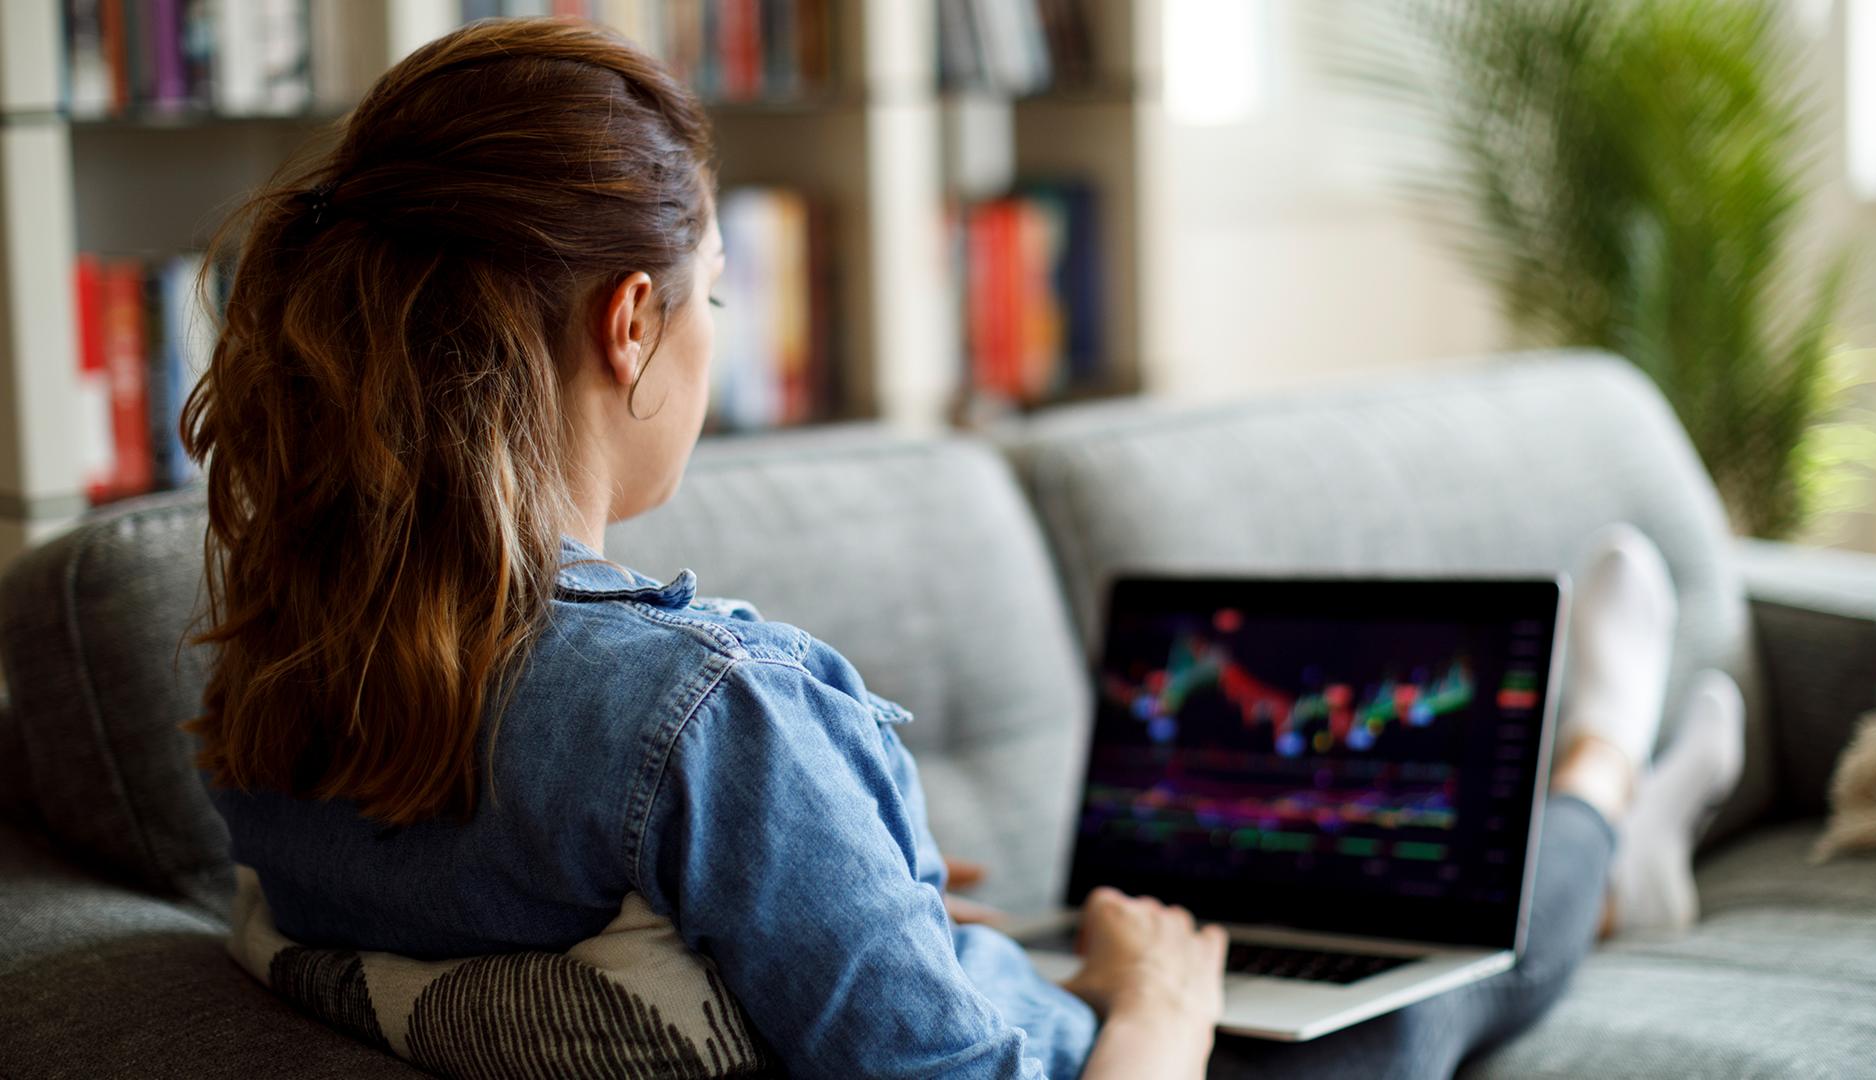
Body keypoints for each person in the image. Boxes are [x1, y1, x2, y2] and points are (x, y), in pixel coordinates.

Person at [186, 17, 1743, 1080]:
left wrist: (860, 904)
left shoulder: (285, 672)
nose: (714, 334)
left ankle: (1615, 828)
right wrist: (1159, 1000)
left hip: (951, 992)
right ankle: (1608, 784)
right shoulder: (717, 715)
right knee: (1413, 1005)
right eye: (718, 293)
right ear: (632, 321)